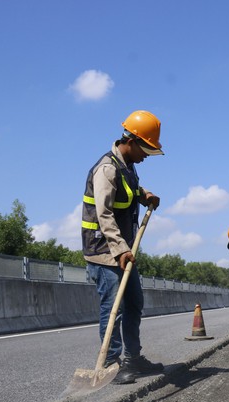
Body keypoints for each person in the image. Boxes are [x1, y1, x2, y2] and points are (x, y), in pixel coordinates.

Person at [82, 110, 166, 385]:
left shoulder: (127, 166)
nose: (146, 156)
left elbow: (131, 190)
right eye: (146, 149)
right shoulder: (106, 169)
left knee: (134, 303)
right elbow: (104, 214)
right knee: (113, 307)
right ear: (131, 141)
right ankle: (111, 363)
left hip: (121, 250)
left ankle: (133, 358)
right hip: (104, 251)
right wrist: (120, 249)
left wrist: (146, 196)